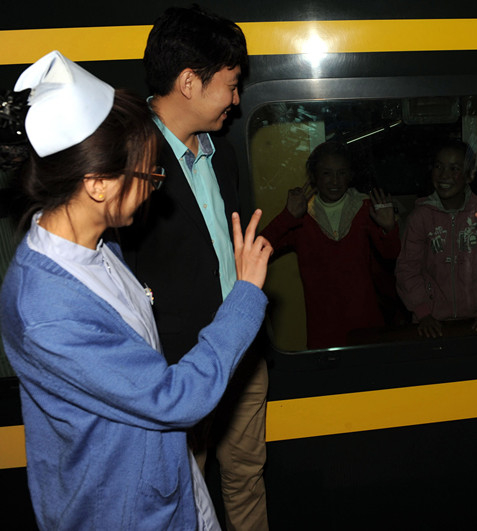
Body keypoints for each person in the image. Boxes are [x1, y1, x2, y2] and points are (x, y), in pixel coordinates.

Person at [0, 50, 272, 530]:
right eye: (148, 175)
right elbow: (174, 399)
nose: (154, 188)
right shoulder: (47, 308)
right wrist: (246, 291)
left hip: (160, 489)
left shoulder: (100, 249)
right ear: (98, 184)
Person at [117, 7, 270, 529]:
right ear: (189, 82)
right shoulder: (128, 158)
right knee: (182, 497)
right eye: (231, 84)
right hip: (178, 372)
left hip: (243, 356)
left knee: (247, 478)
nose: (237, 99)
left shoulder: (221, 153)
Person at [260, 141, 400, 349]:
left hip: (366, 325)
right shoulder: (302, 215)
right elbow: (257, 250)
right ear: (314, 177)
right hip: (323, 332)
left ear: (350, 176)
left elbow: (391, 255)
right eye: (327, 173)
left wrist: (389, 228)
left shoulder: (364, 208)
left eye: (341, 173)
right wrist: (287, 217)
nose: (335, 181)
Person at [396, 139, 477, 337]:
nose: (444, 175)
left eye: (454, 169)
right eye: (439, 167)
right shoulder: (421, 217)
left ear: (469, 175)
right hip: (432, 323)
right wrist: (423, 313)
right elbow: (407, 269)